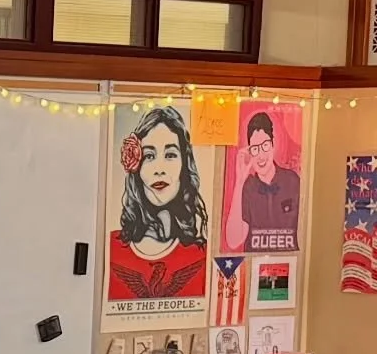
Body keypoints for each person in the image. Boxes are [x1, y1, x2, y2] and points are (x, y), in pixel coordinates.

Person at [107, 105, 209, 303]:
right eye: (149, 156)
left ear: (184, 164)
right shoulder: (113, 247)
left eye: (170, 155)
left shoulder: (201, 253)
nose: (159, 169)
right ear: (136, 166)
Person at [224, 110, 301, 255]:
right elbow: (234, 241)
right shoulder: (248, 187)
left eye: (265, 145)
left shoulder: (293, 181)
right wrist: (239, 181)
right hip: (254, 265)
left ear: (273, 144)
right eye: (255, 149)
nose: (260, 155)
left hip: (289, 264)